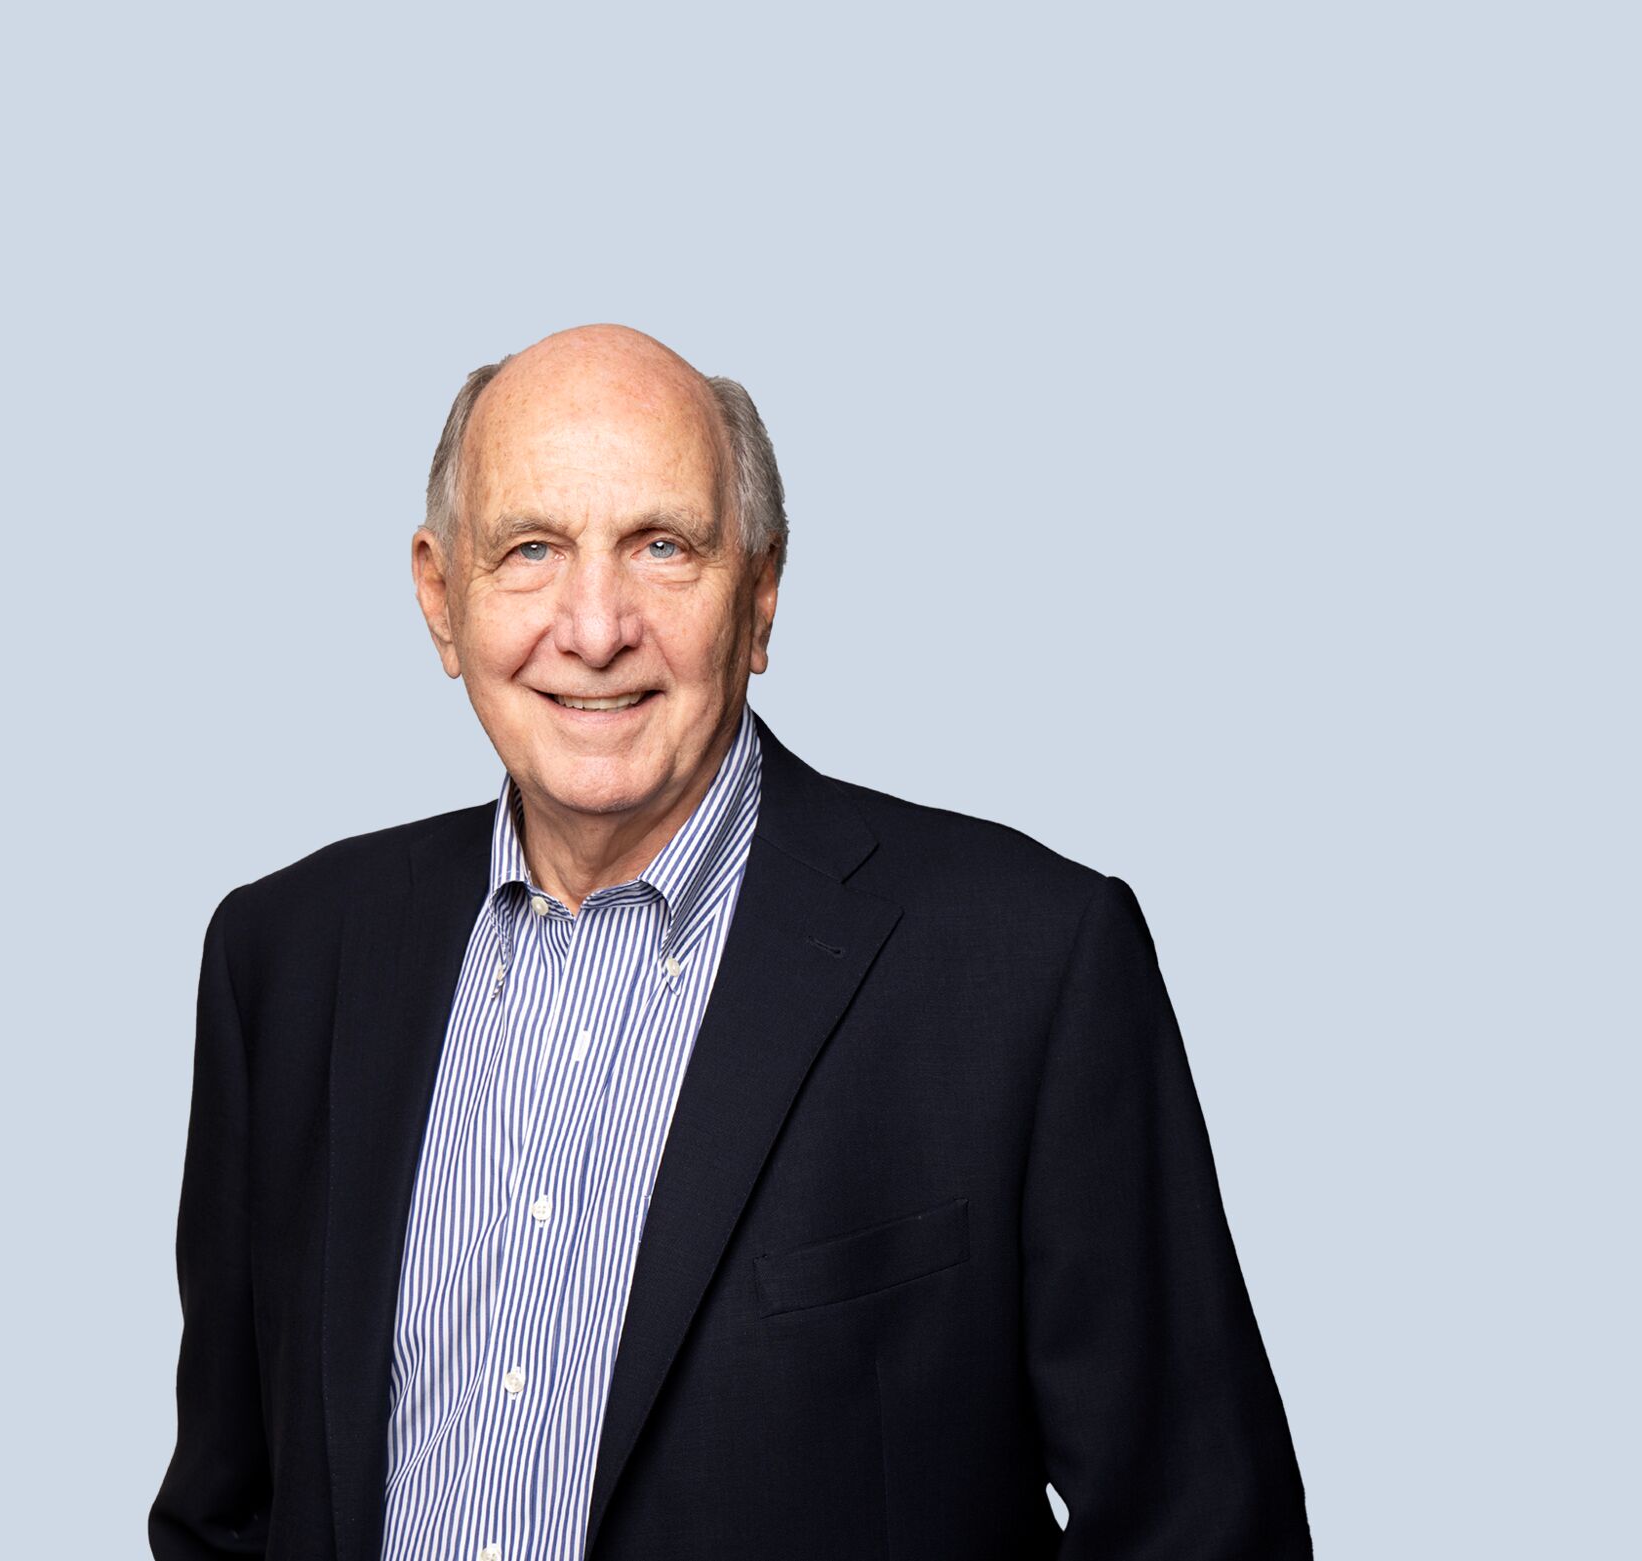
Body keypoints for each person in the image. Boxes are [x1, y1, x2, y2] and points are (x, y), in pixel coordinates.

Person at [148, 324, 1313, 1560]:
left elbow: (1204, 1527)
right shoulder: (283, 964)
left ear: (758, 594)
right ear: (442, 599)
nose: (594, 628)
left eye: (663, 547)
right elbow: (228, 1514)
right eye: (531, 550)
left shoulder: (1027, 968)